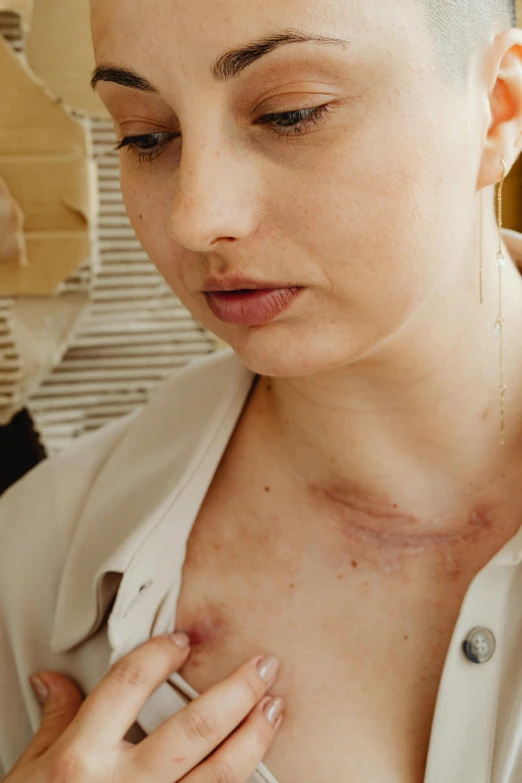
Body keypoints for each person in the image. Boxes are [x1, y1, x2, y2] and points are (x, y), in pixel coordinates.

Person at [2, 0, 522, 780]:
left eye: (290, 114)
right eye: (147, 134)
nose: (195, 216)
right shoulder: (31, 563)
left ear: (496, 110)